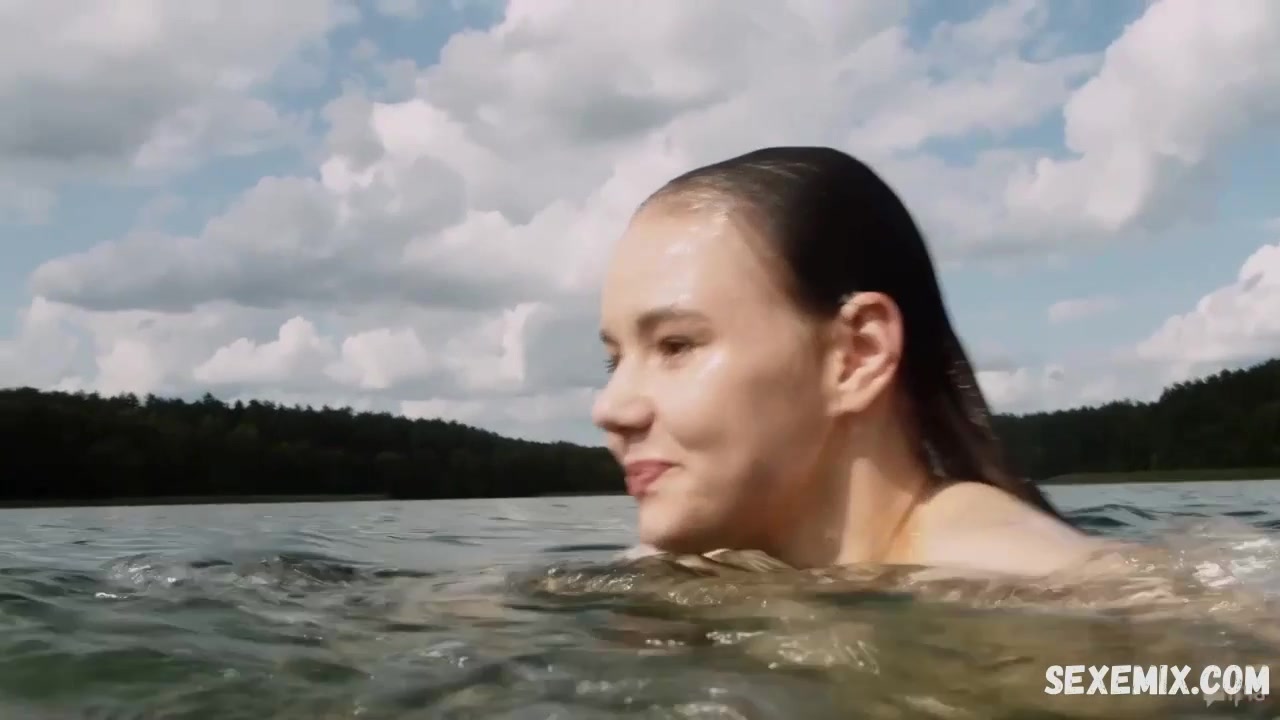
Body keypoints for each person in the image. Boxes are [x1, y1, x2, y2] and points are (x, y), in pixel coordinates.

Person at [592, 146, 1104, 578]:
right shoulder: (701, 566)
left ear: (857, 355)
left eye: (675, 345)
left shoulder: (1046, 590)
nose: (610, 410)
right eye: (615, 361)